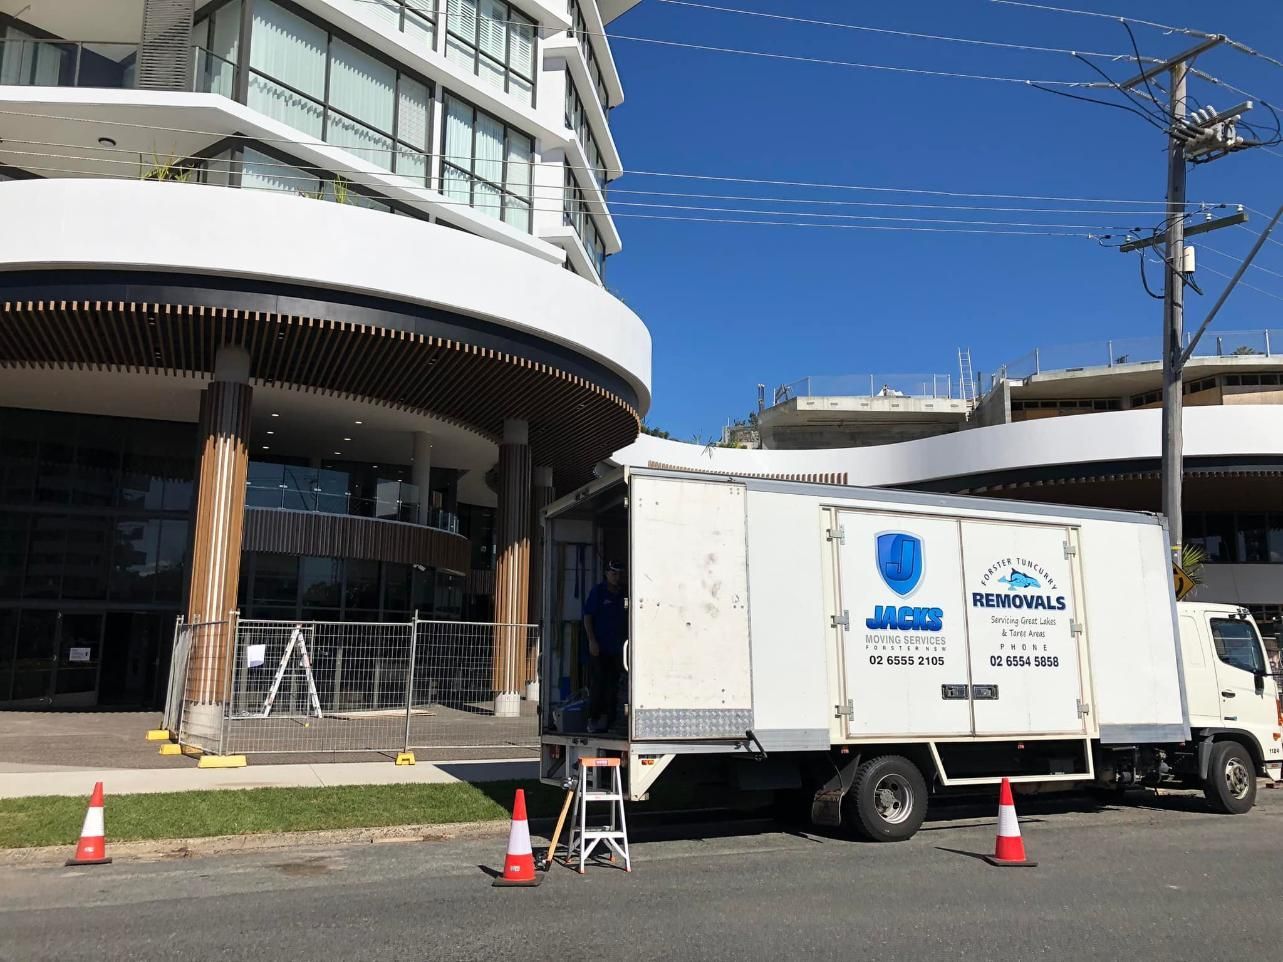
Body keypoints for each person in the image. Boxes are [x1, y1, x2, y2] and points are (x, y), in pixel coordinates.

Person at [583, 560, 627, 734]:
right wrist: (592, 641)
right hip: (600, 648)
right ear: (606, 573)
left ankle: (610, 721)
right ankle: (593, 718)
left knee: (614, 685)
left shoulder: (623, 592)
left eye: (619, 574)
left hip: (619, 648)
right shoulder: (598, 592)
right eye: (613, 573)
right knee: (599, 683)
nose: (616, 577)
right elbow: (588, 617)